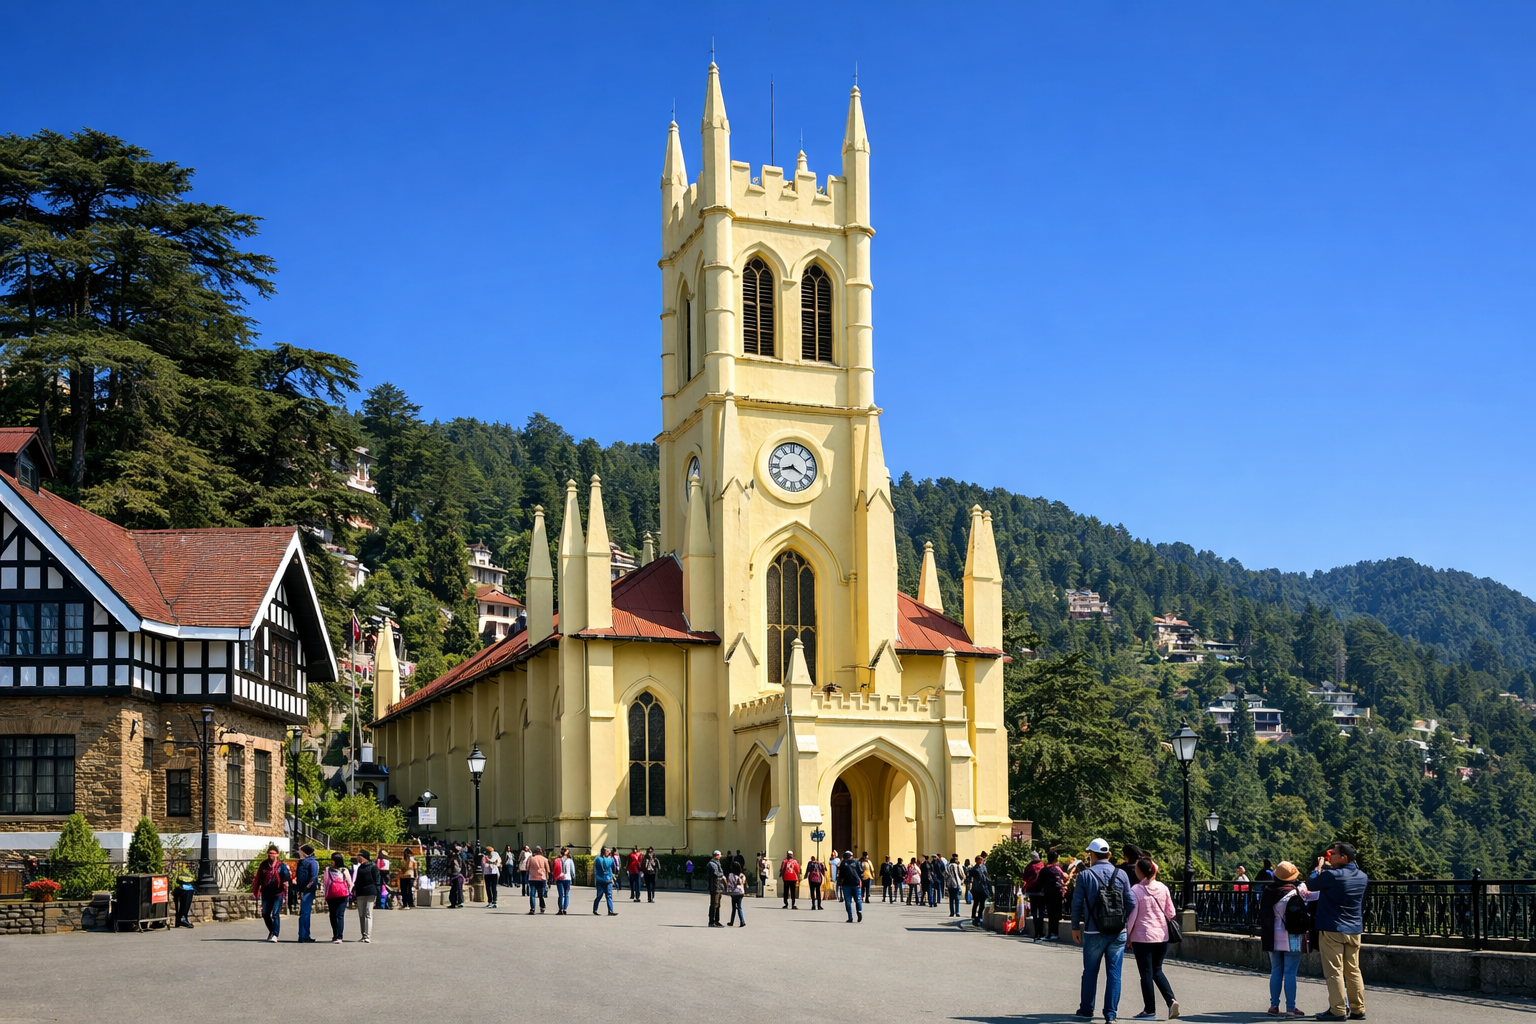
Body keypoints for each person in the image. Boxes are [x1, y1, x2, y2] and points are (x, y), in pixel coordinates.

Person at [1071, 838, 1138, 1023]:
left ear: (1091, 855)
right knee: (1114, 973)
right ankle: (1110, 1014)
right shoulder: (1122, 874)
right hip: (1118, 932)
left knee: (1090, 971)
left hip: (1093, 931)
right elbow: (1132, 903)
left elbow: (1076, 904)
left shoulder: (1085, 875)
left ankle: (1086, 1009)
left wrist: (1075, 926)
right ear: (1108, 854)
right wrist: (1123, 921)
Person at [1303, 843, 1368, 1021]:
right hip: (1354, 929)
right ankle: (1358, 1008)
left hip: (1332, 929)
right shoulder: (1362, 876)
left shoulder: (1332, 875)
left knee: (1334, 971)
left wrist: (1319, 868)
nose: (1329, 856)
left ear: (1344, 857)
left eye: (1333, 853)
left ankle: (1338, 1009)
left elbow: (1311, 884)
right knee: (1353, 970)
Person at [1125, 857, 1180, 1021]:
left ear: (1140, 871)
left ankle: (1149, 1010)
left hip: (1142, 937)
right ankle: (1171, 1000)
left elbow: (1132, 916)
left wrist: (1127, 936)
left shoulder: (1136, 890)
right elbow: (1171, 912)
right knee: (1157, 970)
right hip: (1161, 936)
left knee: (1146, 974)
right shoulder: (1163, 888)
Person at [1262, 861, 1312, 1017]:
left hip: (1272, 936)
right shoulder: (1296, 891)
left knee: (1276, 971)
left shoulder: (1267, 891)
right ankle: (1291, 1008)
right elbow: (1313, 896)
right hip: (1293, 936)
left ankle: (1273, 1005)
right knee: (1290, 973)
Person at [252, 845, 290, 943]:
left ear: (277, 854)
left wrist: (286, 889)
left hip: (278, 893)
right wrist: (257, 887)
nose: (273, 856)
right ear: (268, 854)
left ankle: (275, 934)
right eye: (271, 854)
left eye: (274, 854)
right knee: (265, 913)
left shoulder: (281, 866)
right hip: (266, 893)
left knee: (275, 914)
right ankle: (272, 931)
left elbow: (286, 879)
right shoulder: (264, 865)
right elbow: (259, 877)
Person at [1035, 853, 1067, 943]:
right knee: (1058, 912)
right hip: (1058, 892)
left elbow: (1039, 881)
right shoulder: (1056, 868)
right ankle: (1056, 932)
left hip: (1048, 893)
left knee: (1050, 913)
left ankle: (1050, 932)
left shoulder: (1043, 870)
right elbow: (1064, 877)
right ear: (1055, 860)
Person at [323, 852, 352, 943]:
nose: (331, 861)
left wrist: (325, 894)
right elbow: (349, 883)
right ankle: (337, 935)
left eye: (333, 860)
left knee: (337, 915)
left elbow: (326, 883)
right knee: (335, 915)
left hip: (334, 895)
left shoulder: (333, 870)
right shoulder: (343, 870)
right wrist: (348, 892)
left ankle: (338, 935)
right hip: (341, 894)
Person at [294, 844, 319, 942]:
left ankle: (303, 934)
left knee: (304, 913)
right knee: (305, 913)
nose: (299, 852)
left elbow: (313, 876)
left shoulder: (307, 862)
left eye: (300, 851)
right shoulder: (307, 862)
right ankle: (304, 935)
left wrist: (304, 887)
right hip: (306, 890)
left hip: (305, 890)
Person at [838, 849, 863, 922]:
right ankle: (859, 911)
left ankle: (850, 917)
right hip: (856, 883)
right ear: (851, 856)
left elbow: (841, 875)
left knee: (848, 901)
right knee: (858, 899)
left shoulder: (843, 863)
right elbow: (861, 872)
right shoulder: (857, 862)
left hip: (846, 884)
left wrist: (840, 883)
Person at [592, 846, 617, 916]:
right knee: (608, 896)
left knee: (600, 895)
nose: (609, 853)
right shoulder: (610, 859)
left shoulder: (597, 859)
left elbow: (595, 869)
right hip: (607, 879)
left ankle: (595, 909)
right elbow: (614, 868)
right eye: (607, 851)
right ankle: (610, 911)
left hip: (600, 879)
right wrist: (613, 875)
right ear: (604, 852)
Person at [526, 845, 550, 914]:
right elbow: (548, 869)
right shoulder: (544, 859)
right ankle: (542, 906)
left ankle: (532, 909)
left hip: (532, 878)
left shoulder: (530, 858)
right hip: (541, 878)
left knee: (532, 894)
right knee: (540, 894)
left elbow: (527, 869)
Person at [171, 861, 196, 928]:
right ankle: (183, 917)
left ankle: (181, 918)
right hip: (178, 885)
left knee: (189, 888)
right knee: (189, 889)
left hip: (176, 883)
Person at [968, 853, 990, 924]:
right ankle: (973, 916)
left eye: (981, 859)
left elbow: (986, 876)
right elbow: (970, 876)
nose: (981, 860)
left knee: (982, 904)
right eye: (979, 859)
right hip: (976, 889)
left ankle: (980, 916)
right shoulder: (973, 869)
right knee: (976, 903)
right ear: (976, 861)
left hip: (983, 888)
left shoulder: (984, 867)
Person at [706, 850, 726, 927]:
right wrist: (722, 875)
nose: (720, 856)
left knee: (718, 905)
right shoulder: (712, 864)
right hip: (715, 886)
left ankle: (717, 920)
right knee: (714, 904)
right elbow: (716, 873)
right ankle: (712, 921)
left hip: (718, 886)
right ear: (717, 855)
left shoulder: (717, 863)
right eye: (720, 855)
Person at [726, 862, 747, 927]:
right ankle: (742, 921)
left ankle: (731, 922)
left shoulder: (730, 875)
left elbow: (730, 884)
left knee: (734, 908)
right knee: (739, 907)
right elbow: (743, 883)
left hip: (734, 893)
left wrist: (728, 891)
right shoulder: (742, 875)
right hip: (740, 892)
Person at [945, 853, 966, 917]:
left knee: (951, 899)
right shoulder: (957, 866)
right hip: (957, 884)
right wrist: (963, 879)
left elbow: (946, 874)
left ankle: (952, 912)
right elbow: (962, 874)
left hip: (950, 884)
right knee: (957, 899)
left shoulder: (948, 866)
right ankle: (957, 912)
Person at [556, 847, 575, 914]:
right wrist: (573, 877)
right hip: (567, 878)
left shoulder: (558, 860)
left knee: (560, 894)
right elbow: (572, 870)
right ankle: (565, 908)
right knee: (566, 894)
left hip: (559, 878)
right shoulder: (570, 860)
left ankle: (560, 908)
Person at [483, 845, 502, 909]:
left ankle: (494, 901)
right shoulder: (485, 856)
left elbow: (498, 861)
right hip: (488, 872)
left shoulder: (495, 854)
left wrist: (492, 863)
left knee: (493, 887)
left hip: (493, 872)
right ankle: (491, 901)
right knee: (489, 887)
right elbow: (484, 863)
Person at [448, 845, 465, 909]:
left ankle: (459, 902)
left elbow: (457, 867)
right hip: (456, 875)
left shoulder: (456, 858)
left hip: (457, 875)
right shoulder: (455, 857)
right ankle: (454, 902)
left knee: (458, 889)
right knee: (455, 889)